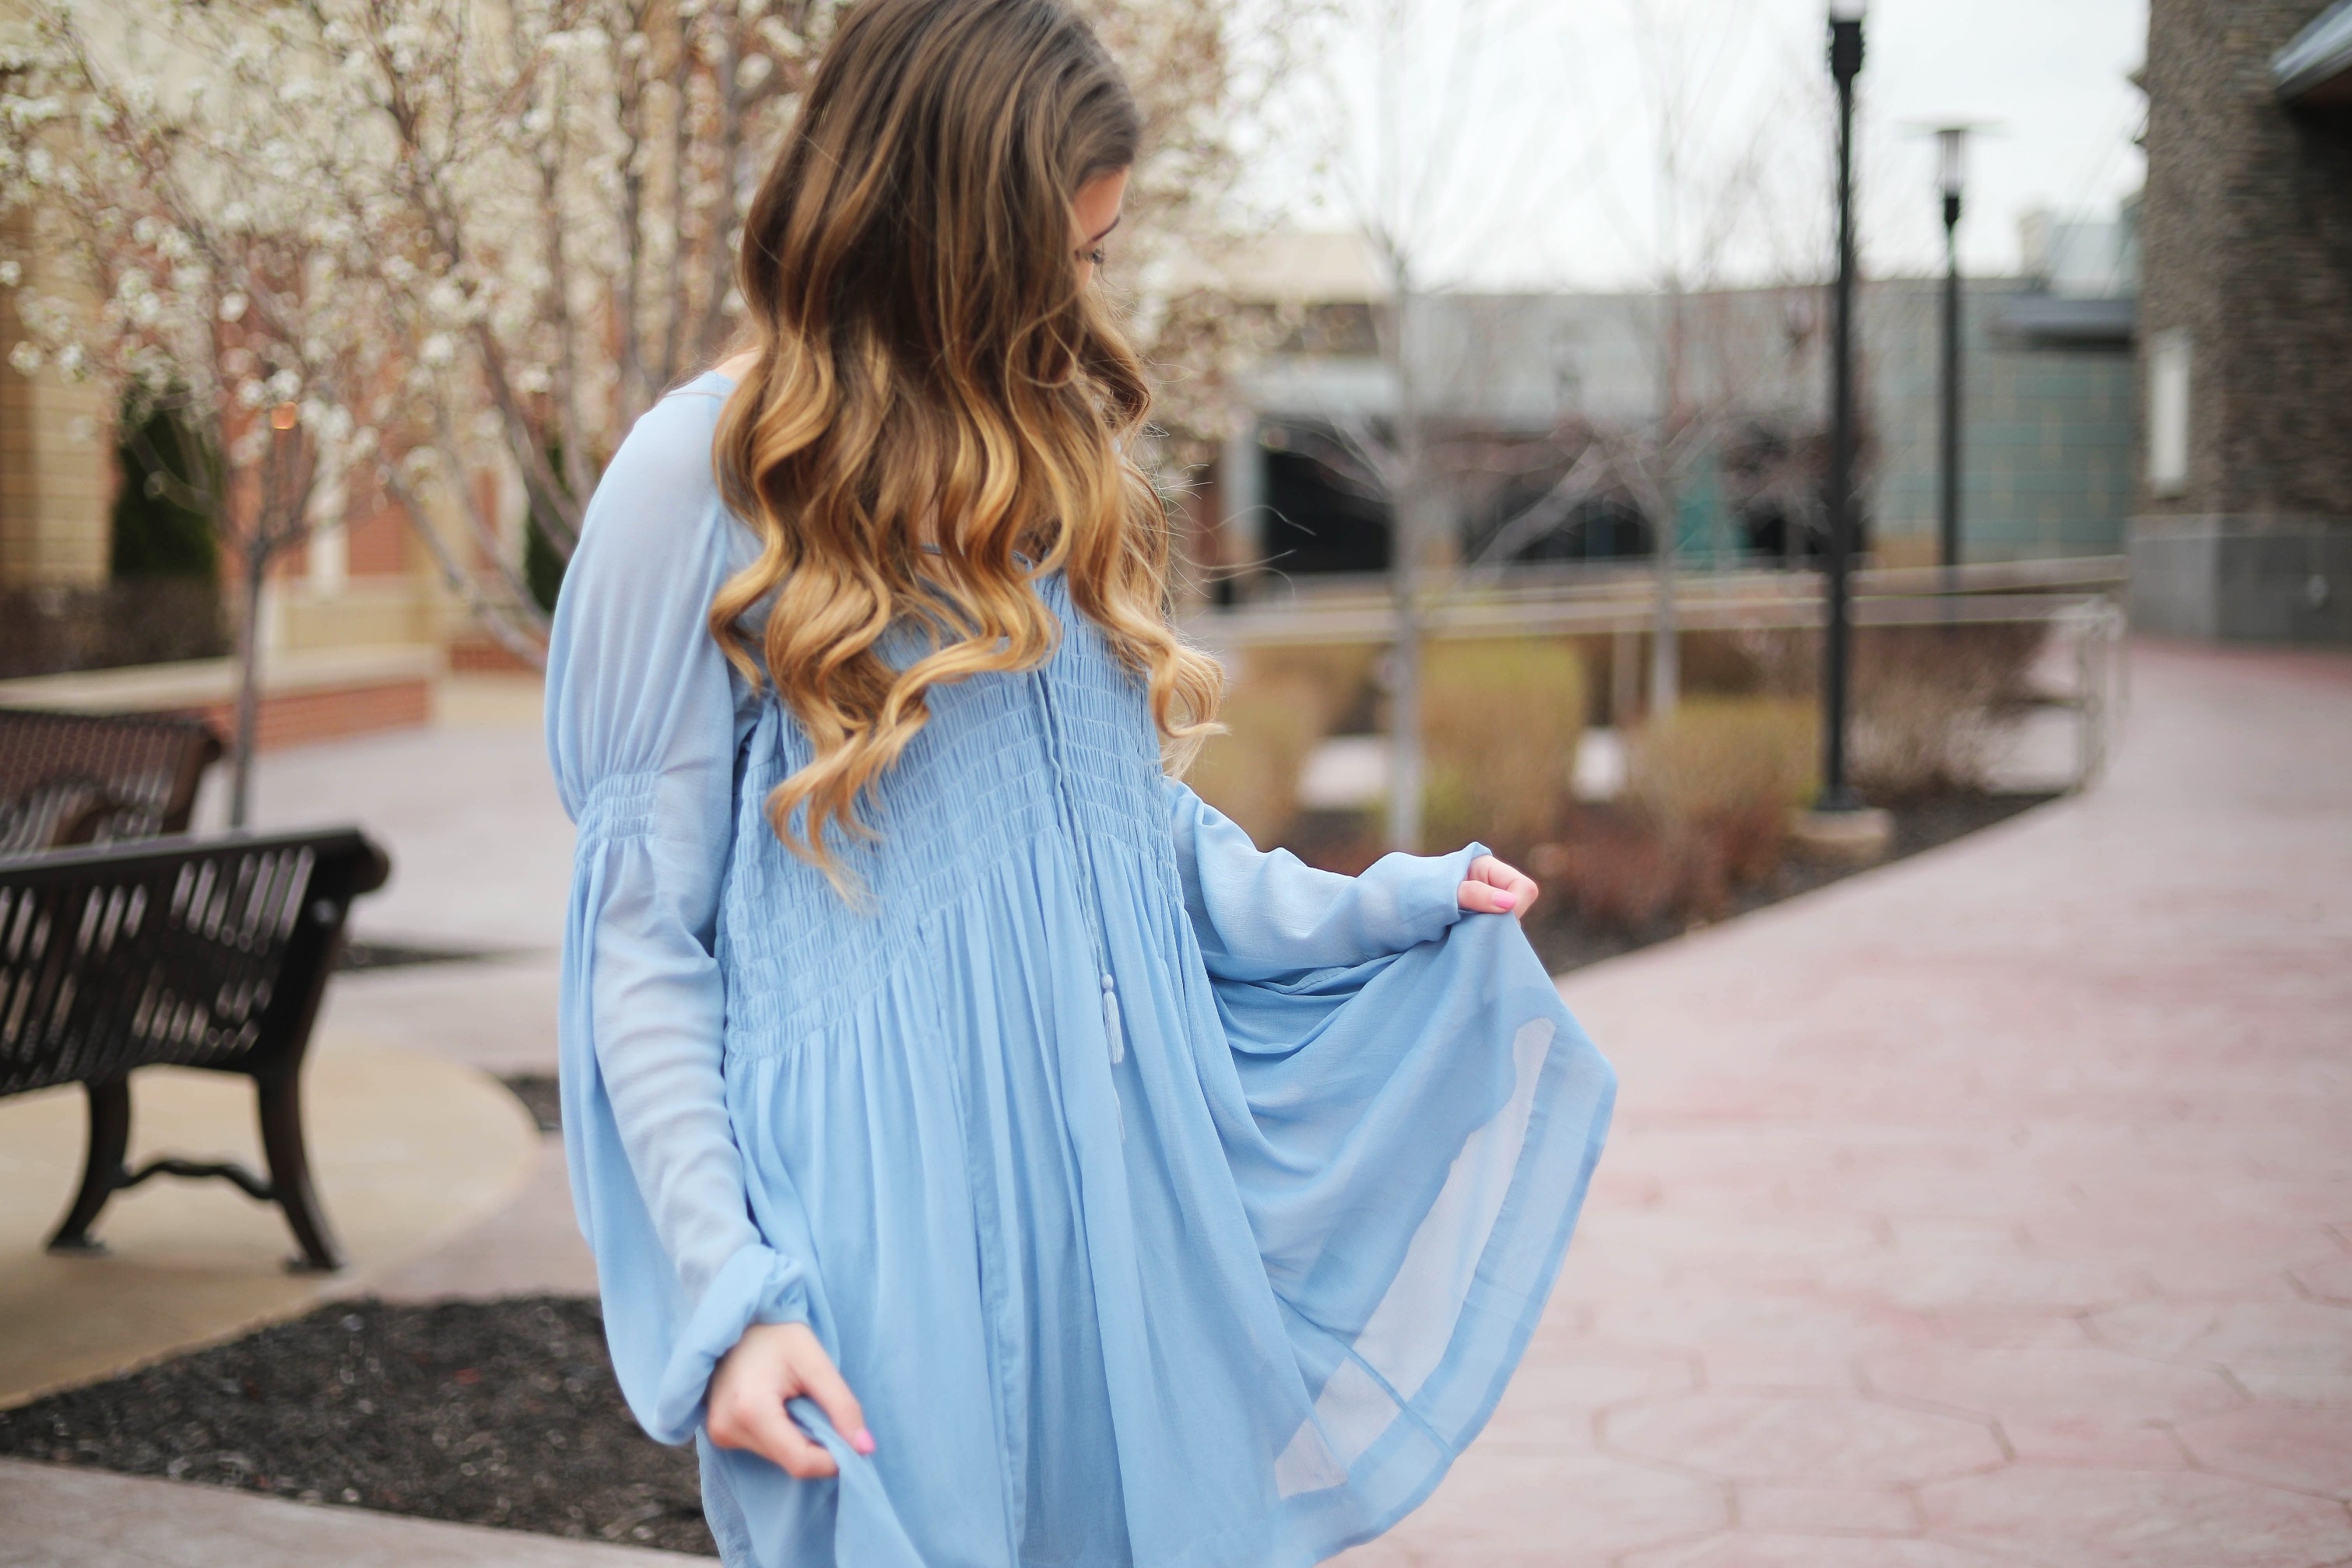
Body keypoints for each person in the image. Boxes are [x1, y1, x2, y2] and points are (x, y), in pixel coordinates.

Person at [545, 1, 1616, 1563]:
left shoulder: (1045, 473)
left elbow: (1120, 848)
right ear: (951, 240)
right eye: (1069, 251)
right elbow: (639, 944)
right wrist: (726, 1302)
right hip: (868, 1233)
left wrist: (1368, 909)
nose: (1079, 292)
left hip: (1108, 1197)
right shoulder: (700, 480)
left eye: (1095, 253)